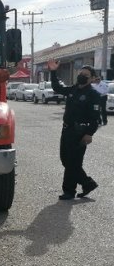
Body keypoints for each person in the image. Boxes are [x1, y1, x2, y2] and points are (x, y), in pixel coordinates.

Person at [47, 60, 100, 200]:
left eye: (86, 75)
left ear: (92, 78)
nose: (82, 76)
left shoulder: (93, 94)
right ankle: (87, 183)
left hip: (80, 132)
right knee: (66, 160)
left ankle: (69, 191)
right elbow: (57, 87)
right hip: (67, 130)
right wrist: (53, 72)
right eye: (81, 74)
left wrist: (89, 133)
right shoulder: (74, 89)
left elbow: (96, 118)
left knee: (73, 162)